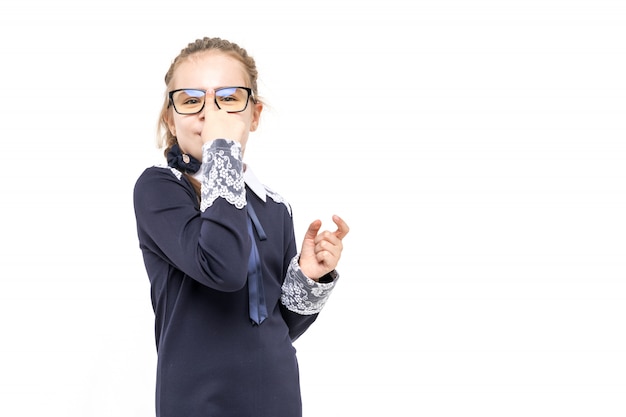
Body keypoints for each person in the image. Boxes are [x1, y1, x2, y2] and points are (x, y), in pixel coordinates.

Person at [133, 36, 349, 417]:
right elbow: (224, 267)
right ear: (170, 117)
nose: (210, 114)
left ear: (254, 115)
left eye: (228, 99)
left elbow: (278, 326)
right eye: (191, 100)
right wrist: (222, 152)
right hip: (197, 402)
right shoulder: (160, 188)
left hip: (276, 396)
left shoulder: (273, 205)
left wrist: (309, 278)